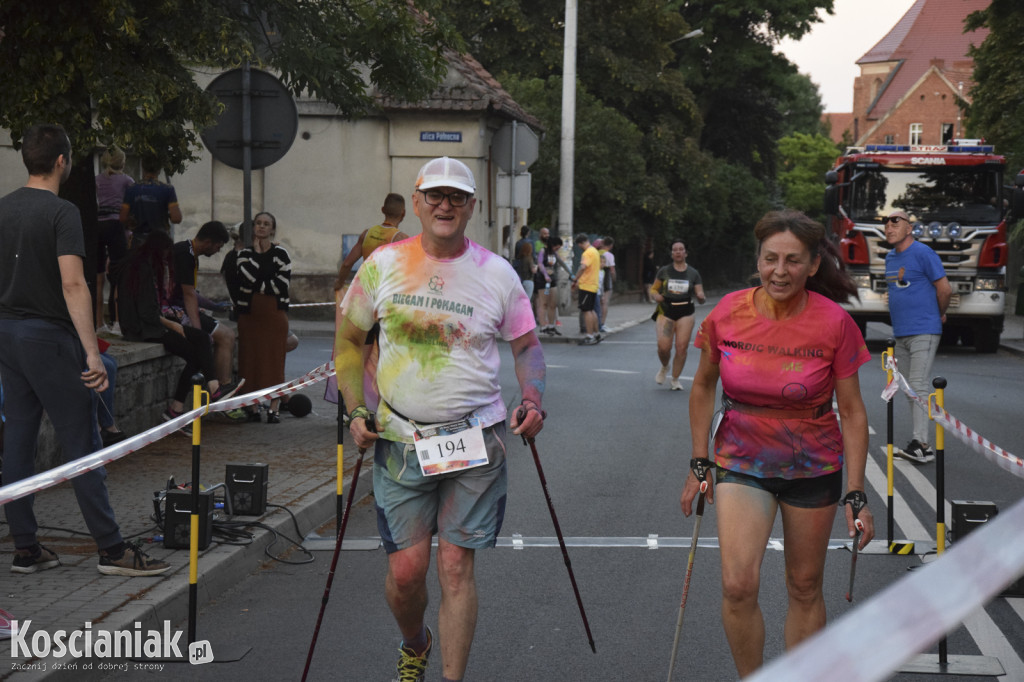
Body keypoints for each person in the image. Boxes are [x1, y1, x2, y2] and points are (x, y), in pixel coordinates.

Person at [335, 156, 545, 682]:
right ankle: (415, 643)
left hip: (478, 438)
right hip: (400, 439)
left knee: (454, 566)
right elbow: (348, 342)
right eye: (435, 196)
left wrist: (533, 398)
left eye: (457, 197)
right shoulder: (381, 264)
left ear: (472, 206)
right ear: (418, 200)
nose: (445, 205)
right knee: (406, 574)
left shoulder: (497, 273)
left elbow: (527, 347)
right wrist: (356, 409)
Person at [680, 209, 875, 678]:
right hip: (741, 461)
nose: (779, 271)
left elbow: (851, 411)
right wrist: (699, 460)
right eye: (770, 259)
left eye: (792, 261)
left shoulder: (834, 323)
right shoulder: (728, 312)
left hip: (814, 467)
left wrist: (856, 492)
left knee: (805, 586)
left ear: (812, 266)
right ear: (758, 259)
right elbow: (704, 386)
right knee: (737, 584)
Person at [0, 123, 170, 577]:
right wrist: (92, 353)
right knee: (84, 444)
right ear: (62, 162)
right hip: (48, 338)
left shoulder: (2, 209)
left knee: (17, 441)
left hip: (9, 335)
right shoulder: (63, 212)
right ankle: (112, 550)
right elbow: (74, 283)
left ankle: (25, 547)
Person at [117, 232, 235, 435]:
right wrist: (174, 326)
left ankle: (179, 407)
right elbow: (148, 313)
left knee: (199, 343)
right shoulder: (143, 270)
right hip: (144, 330)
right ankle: (210, 389)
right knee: (198, 346)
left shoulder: (141, 266)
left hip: (147, 325)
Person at [325, 193, 409, 408]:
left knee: (356, 357)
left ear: (382, 210)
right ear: (404, 213)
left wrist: (338, 284)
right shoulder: (401, 239)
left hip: (363, 301)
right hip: (384, 303)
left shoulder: (367, 233)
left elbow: (347, 264)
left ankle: (350, 407)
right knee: (385, 358)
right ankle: (383, 409)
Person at [884, 209, 952, 464]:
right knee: (909, 389)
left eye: (895, 221)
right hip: (900, 332)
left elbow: (944, 289)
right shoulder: (890, 258)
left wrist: (939, 314)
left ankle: (922, 445)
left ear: (909, 228)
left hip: (925, 328)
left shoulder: (924, 253)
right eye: (885, 223)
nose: (889, 226)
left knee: (918, 385)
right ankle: (919, 442)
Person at [166, 221, 238, 392]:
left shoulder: (190, 253)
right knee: (226, 336)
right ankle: (222, 387)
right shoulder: (185, 255)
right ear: (208, 243)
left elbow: (192, 292)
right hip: (174, 310)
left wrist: (213, 305)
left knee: (226, 334)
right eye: (218, 246)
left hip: (181, 306)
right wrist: (198, 330)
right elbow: (188, 295)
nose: (218, 251)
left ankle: (221, 384)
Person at [235, 211, 292, 423]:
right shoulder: (244, 254)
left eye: (266, 224)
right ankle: (253, 407)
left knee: (274, 360)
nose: (261, 227)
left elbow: (281, 285)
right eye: (258, 223)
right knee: (250, 360)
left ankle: (274, 408)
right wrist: (258, 257)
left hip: (274, 315)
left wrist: (258, 285)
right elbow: (245, 278)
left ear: (272, 229)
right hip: (249, 315)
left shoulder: (282, 254)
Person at [649, 239, 706, 391]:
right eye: (675, 250)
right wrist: (656, 296)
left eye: (681, 249)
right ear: (672, 253)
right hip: (667, 311)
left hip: (685, 312)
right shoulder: (664, 271)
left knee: (681, 348)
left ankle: (675, 379)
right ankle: (665, 366)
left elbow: (700, 294)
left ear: (686, 253)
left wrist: (700, 297)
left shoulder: (693, 273)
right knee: (663, 347)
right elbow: (654, 289)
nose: (678, 252)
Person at [94, 146, 133, 331]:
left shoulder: (97, 180)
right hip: (117, 225)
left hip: (98, 225)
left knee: (98, 276)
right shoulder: (127, 181)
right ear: (122, 162)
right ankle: (118, 321)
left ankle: (99, 322)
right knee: (119, 275)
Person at [119, 155, 181, 244]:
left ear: (143, 167)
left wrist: (132, 222)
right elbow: (176, 218)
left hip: (139, 241)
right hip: (160, 241)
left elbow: (122, 218)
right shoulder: (168, 189)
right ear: (159, 170)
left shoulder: (132, 189)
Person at [536, 236, 572, 335]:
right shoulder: (543, 251)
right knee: (544, 303)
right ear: (552, 245)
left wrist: (570, 273)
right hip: (543, 281)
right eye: (557, 247)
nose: (558, 249)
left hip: (552, 280)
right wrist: (545, 275)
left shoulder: (554, 254)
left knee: (553, 304)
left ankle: (552, 326)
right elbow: (540, 264)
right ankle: (543, 326)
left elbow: (562, 263)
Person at [570, 233, 601, 345]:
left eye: (579, 245)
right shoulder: (595, 251)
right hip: (593, 285)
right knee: (592, 310)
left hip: (586, 285)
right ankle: (596, 333)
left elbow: (583, 267)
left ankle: (589, 335)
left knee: (586, 311)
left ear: (580, 243)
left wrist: (575, 279)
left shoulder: (587, 253)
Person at [513, 225, 537, 299]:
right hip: (528, 276)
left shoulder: (518, 243)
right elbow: (534, 255)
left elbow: (516, 255)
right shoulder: (530, 243)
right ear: (528, 233)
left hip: (519, 270)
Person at [599, 236, 616, 332]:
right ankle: (602, 324)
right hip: (606, 280)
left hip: (596, 279)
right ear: (611, 245)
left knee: (598, 302)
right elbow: (612, 270)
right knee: (605, 303)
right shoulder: (609, 255)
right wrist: (614, 279)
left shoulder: (596, 253)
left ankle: (595, 324)